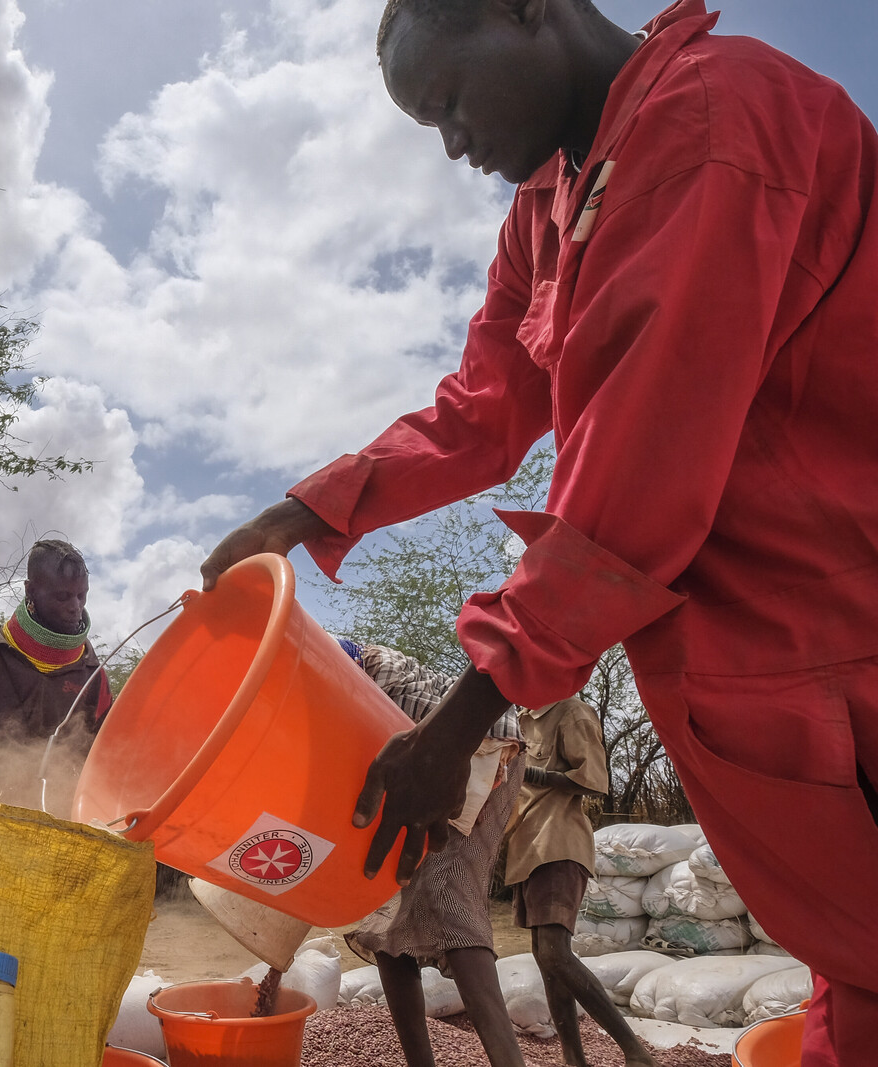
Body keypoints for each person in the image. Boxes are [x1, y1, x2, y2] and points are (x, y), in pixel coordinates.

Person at [200, 1, 878, 1061]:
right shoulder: (547, 207)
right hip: (752, 673)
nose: (453, 143)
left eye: (450, 104)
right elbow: (482, 403)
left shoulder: (712, 125)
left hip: (838, 636)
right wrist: (302, 510)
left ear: (529, 8)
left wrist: (460, 721)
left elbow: (632, 471)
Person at [340, 640, 527, 1067]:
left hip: (468, 747)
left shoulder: (331, 657)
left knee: (450, 900)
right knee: (384, 918)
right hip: (423, 754)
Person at [505, 697, 652, 1067]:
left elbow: (594, 779)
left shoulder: (570, 712)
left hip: (558, 841)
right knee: (545, 958)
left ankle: (635, 1053)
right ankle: (574, 1059)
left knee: (555, 952)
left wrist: (532, 773)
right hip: (527, 845)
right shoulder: (520, 721)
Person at [0, 539, 111, 815]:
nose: (75, 607)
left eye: (82, 595)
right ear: (31, 591)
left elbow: (104, 768)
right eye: (62, 596)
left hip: (63, 825)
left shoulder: (93, 676)